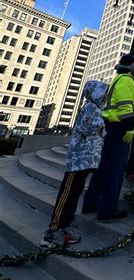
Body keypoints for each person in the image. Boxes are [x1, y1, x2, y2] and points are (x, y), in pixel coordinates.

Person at [41, 81, 108, 247]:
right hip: (78, 161)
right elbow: (86, 126)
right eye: (103, 92)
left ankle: (64, 226)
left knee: (75, 193)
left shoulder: (97, 108)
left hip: (86, 161)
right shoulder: (90, 107)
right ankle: (52, 231)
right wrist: (104, 123)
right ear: (96, 93)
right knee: (67, 194)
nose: (106, 96)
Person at [82, 54, 134, 221]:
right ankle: (108, 209)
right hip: (121, 129)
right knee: (115, 170)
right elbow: (125, 105)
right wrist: (130, 125)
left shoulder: (119, 79)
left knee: (104, 168)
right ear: (132, 64)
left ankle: (91, 203)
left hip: (114, 127)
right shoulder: (126, 80)